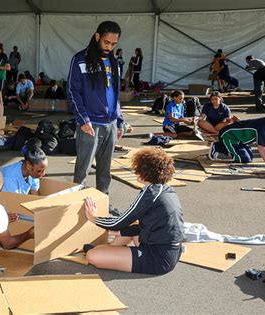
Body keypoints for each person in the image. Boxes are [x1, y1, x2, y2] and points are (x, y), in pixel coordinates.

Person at [83, 147, 185, 275]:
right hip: (169, 251)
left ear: (144, 173)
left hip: (157, 258)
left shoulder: (151, 193)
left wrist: (93, 217)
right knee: (132, 224)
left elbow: (120, 222)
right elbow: (135, 223)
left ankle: (106, 252)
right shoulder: (165, 189)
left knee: (93, 256)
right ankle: (110, 251)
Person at [67, 21, 124, 200]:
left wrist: (120, 119)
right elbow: (72, 91)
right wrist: (83, 119)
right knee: (83, 169)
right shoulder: (80, 59)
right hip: (90, 124)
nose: (109, 47)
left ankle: (103, 203)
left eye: (114, 44)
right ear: (97, 36)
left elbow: (115, 94)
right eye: (106, 42)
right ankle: (77, 203)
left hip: (111, 124)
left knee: (105, 170)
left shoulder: (114, 62)